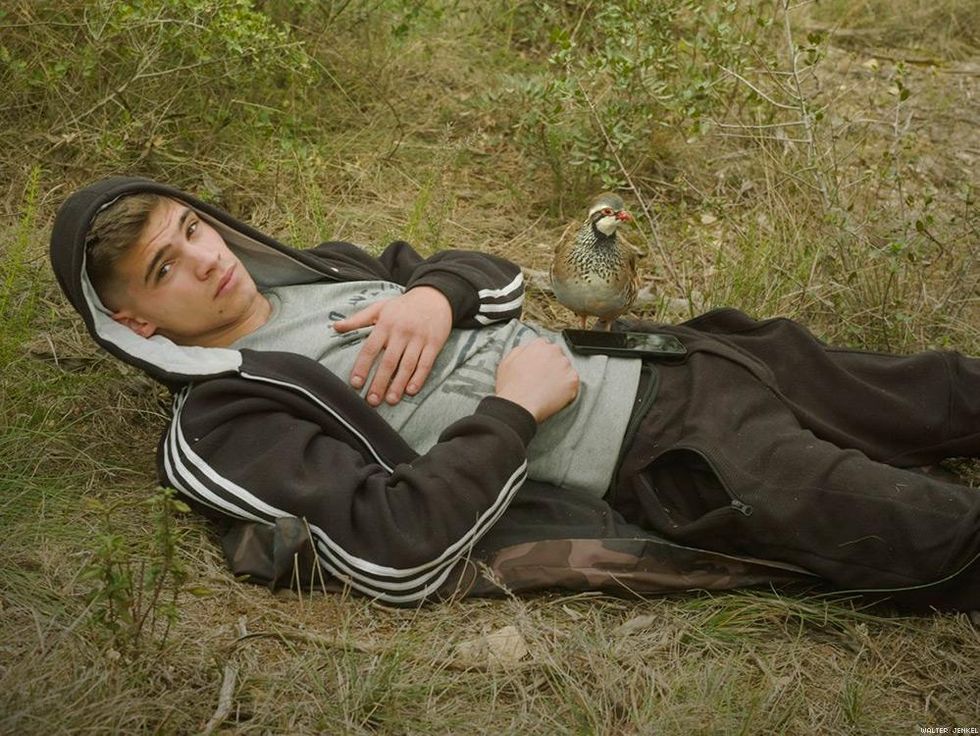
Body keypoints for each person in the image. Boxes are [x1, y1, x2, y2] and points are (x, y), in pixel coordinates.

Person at [49, 176, 980, 610]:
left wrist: (430, 296)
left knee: (943, 390)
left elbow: (491, 275)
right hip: (671, 454)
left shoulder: (321, 269)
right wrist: (513, 409)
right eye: (165, 268)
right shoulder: (222, 419)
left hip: (694, 355)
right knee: (929, 532)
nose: (205, 259)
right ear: (133, 321)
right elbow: (393, 545)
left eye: (192, 229)